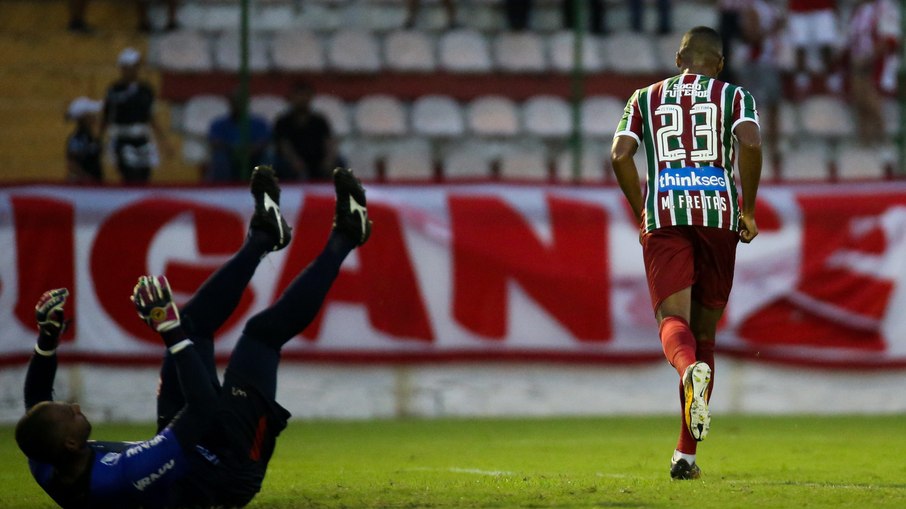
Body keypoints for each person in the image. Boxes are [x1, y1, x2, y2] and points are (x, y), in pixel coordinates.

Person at [16, 165, 373, 508]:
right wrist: (167, 330)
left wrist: (47, 339)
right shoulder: (121, 476)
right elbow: (203, 406)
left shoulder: (46, 460)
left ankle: (265, 236)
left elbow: (36, 400)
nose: (75, 406)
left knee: (191, 324)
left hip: (180, 446)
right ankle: (346, 236)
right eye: (70, 413)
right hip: (227, 470)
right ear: (70, 443)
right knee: (260, 336)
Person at [611, 26, 762, 480]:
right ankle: (686, 457)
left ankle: (686, 367)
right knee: (706, 333)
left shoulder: (643, 98)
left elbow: (620, 155)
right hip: (718, 214)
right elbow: (750, 143)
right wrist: (749, 211)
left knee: (672, 324)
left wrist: (642, 210)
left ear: (679, 58)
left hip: (665, 214)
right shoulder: (736, 96)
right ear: (718, 64)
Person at [101, 47, 172, 184]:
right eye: (129, 67)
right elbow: (107, 116)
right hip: (122, 138)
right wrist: (101, 140)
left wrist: (163, 141)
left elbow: (150, 116)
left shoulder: (145, 90)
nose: (133, 70)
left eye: (135, 66)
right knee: (129, 175)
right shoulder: (114, 89)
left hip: (142, 137)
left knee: (144, 175)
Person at [842, 0, 899, 147]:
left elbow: (889, 39)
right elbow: (852, 37)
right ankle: (865, 142)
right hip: (857, 59)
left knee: (871, 101)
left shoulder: (884, 7)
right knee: (860, 101)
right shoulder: (859, 10)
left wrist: (869, 58)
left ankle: (882, 140)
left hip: (874, 61)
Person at [736, 0, 784, 162]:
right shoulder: (753, 8)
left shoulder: (772, 8)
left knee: (773, 106)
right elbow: (751, 36)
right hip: (756, 64)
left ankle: (772, 147)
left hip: (769, 62)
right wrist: (774, 28)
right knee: (751, 109)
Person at [273, 82, 343, 182]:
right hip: (293, 160)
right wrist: (294, 161)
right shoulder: (283, 121)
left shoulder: (319, 120)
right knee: (280, 164)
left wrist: (329, 159)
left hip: (317, 159)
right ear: (291, 98)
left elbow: (328, 141)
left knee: (339, 162)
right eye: (299, 95)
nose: (302, 99)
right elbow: (284, 145)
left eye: (306, 95)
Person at [206, 89, 272, 182]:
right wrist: (233, 149)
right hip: (229, 156)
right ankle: (223, 189)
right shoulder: (219, 124)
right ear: (230, 103)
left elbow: (264, 141)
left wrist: (250, 150)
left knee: (267, 158)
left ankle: (263, 189)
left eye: (241, 101)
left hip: (253, 156)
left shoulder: (259, 123)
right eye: (235, 101)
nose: (238, 104)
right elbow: (215, 142)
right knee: (220, 158)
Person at [787, 0, 840, 96]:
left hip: (822, 6)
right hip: (799, 8)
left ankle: (832, 75)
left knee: (826, 43)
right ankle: (801, 77)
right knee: (800, 44)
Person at [65, 97, 105, 184]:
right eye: (92, 114)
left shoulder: (91, 137)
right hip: (84, 187)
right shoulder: (77, 139)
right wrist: (88, 179)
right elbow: (72, 164)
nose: (96, 116)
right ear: (84, 118)